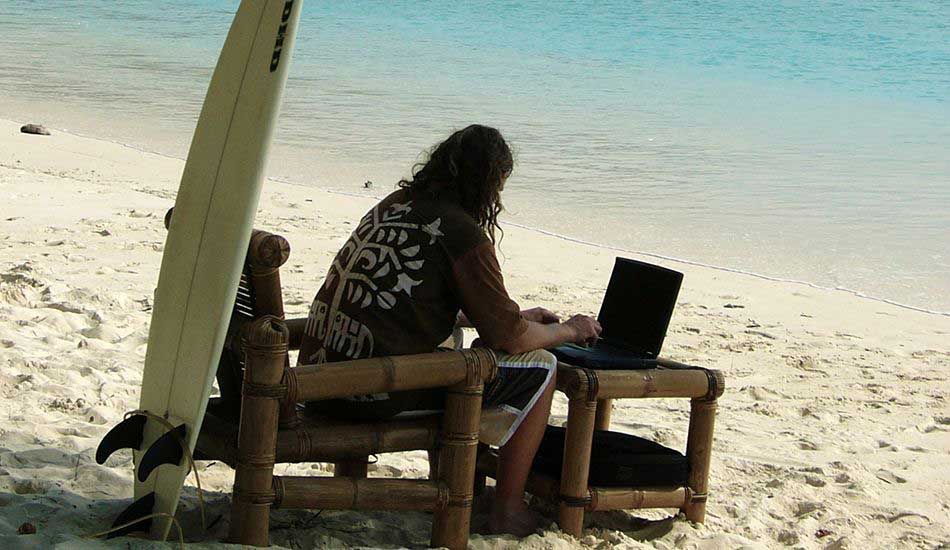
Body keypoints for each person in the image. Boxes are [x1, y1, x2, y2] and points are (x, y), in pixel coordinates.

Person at [298, 124, 601, 535]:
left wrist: (514, 314)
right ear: (488, 184)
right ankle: (506, 508)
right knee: (541, 368)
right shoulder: (460, 231)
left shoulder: (394, 205)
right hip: (369, 394)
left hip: (321, 378)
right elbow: (511, 339)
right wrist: (569, 329)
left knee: (458, 339)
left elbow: (404, 303)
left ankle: (463, 489)